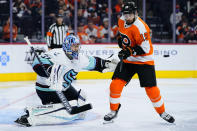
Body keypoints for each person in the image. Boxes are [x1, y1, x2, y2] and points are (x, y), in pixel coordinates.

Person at [15, 35, 117, 126]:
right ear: (67, 46)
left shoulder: (81, 58)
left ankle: (55, 109)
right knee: (68, 114)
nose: (76, 49)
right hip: (46, 89)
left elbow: (95, 63)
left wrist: (107, 64)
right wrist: (48, 70)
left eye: (77, 46)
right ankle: (31, 117)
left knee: (80, 101)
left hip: (64, 88)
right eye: (74, 46)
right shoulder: (57, 54)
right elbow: (37, 63)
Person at [103, 1, 175, 124]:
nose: (127, 17)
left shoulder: (141, 27)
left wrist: (127, 51)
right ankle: (113, 111)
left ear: (136, 13)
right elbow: (122, 34)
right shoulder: (121, 20)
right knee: (115, 85)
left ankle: (162, 112)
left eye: (130, 14)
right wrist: (120, 40)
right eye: (125, 14)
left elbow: (144, 49)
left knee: (151, 89)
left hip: (144, 61)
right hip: (129, 60)